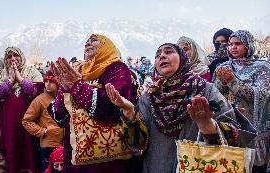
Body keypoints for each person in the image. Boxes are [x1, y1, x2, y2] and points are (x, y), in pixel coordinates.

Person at [105, 43, 257, 173]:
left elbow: (235, 134)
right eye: (158, 55)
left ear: (183, 59)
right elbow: (138, 146)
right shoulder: (149, 98)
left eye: (169, 52)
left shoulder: (204, 90)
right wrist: (129, 112)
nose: (162, 56)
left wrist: (207, 126)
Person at [51, 34, 140, 172]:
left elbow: (111, 108)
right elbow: (60, 117)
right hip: (76, 153)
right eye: (86, 42)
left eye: (93, 40)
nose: (87, 43)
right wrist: (64, 87)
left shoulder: (117, 68)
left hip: (107, 155)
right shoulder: (79, 71)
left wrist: (76, 85)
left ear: (107, 47)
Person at [213, 30, 270, 172]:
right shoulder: (223, 67)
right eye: (231, 44)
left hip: (254, 127)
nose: (233, 47)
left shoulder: (262, 68)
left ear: (248, 45)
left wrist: (232, 81)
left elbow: (262, 95)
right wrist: (222, 82)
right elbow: (215, 97)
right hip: (229, 125)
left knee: (254, 167)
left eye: (238, 44)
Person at [0, 47, 44, 173]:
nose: (13, 59)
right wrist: (10, 81)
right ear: (6, 60)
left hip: (30, 123)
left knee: (30, 151)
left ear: (21, 56)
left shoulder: (32, 71)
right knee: (11, 150)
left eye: (16, 55)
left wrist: (20, 79)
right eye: (9, 56)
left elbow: (37, 92)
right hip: (9, 125)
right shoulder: (2, 75)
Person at [22, 70, 64, 172]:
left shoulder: (65, 97)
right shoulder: (39, 100)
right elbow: (26, 120)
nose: (48, 84)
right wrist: (42, 131)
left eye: (51, 82)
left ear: (58, 82)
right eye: (46, 81)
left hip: (65, 143)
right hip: (48, 145)